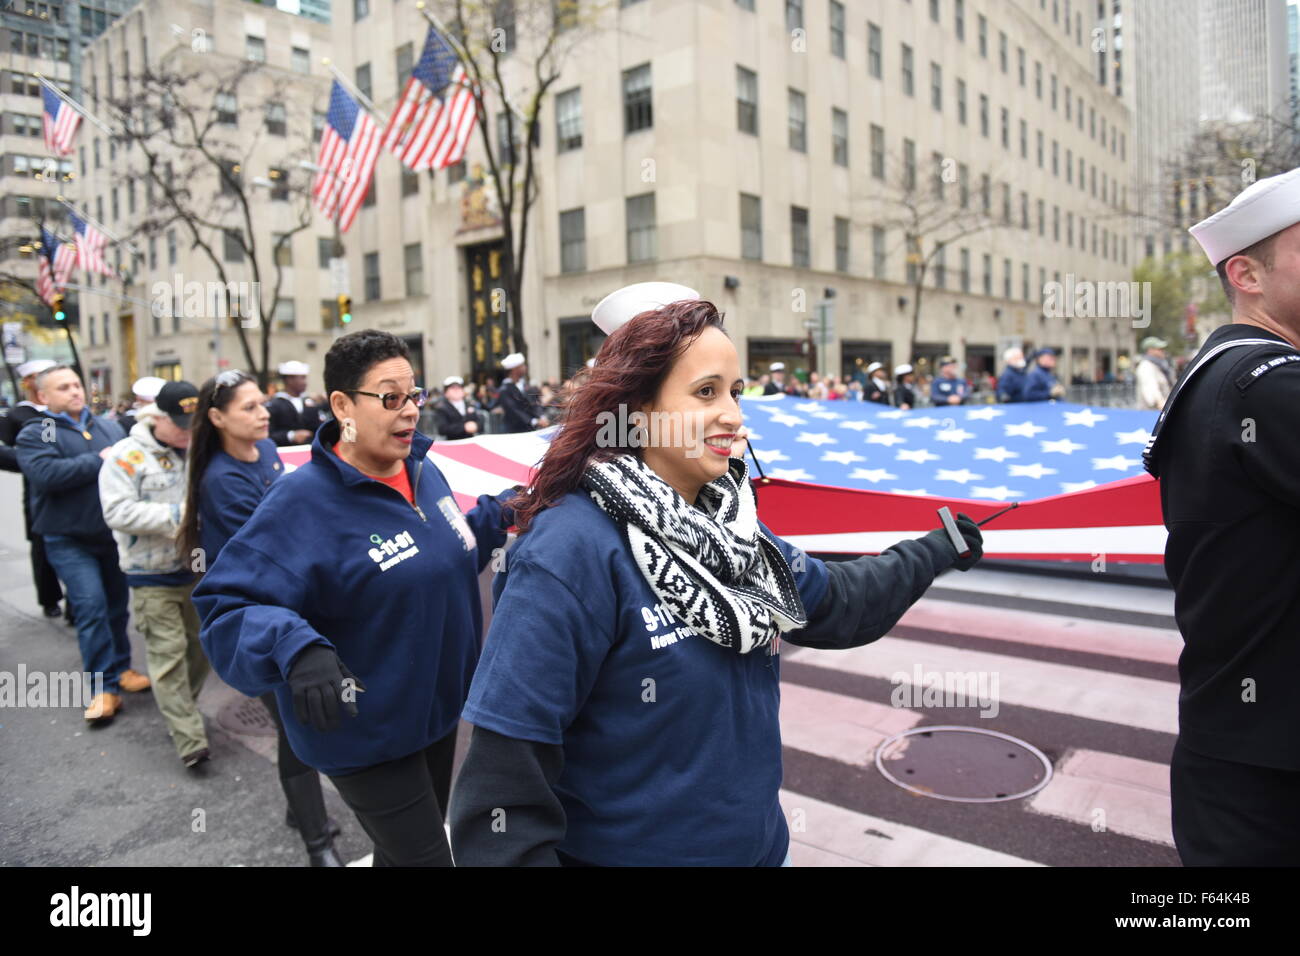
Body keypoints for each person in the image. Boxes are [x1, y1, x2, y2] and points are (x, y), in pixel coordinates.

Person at [448, 284, 984, 867]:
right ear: (637, 410)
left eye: (735, 391)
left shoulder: (732, 527)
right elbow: (500, 805)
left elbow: (837, 605)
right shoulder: (567, 551)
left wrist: (932, 551)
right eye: (706, 392)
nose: (734, 416)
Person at [194, 331, 518, 867]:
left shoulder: (424, 469)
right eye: (391, 398)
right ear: (342, 405)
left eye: (415, 395)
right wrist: (295, 645)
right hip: (364, 731)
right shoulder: (300, 502)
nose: (411, 411)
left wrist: (501, 513)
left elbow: (451, 551)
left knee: (402, 854)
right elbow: (226, 605)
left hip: (435, 714)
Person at [1144, 165, 1300, 865]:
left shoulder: (1226, 372)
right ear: (1248, 274)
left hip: (1242, 748)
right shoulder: (1265, 385)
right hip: (1269, 770)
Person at [178, 369, 343, 865]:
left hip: (288, 602)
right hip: (256, 615)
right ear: (216, 418)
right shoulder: (221, 480)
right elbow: (279, 540)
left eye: (261, 403)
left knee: (301, 725)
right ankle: (318, 844)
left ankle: (302, 811)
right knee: (296, 729)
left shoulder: (268, 452)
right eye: (248, 407)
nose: (262, 412)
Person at [15, 365, 150, 723]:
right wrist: (100, 460)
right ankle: (103, 687)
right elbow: (45, 474)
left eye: (77, 384)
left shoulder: (107, 425)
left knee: (118, 607)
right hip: (68, 539)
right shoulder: (41, 429)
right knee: (90, 608)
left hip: (111, 535)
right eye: (64, 387)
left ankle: (121, 669)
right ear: (43, 397)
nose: (75, 391)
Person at [98, 381, 211, 768]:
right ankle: (189, 738)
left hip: (195, 570)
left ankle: (183, 711)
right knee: (168, 655)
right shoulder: (126, 457)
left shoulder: (198, 447)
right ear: (157, 418)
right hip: (151, 573)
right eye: (180, 423)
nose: (187, 431)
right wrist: (179, 519)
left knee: (201, 650)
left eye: (193, 423)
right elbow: (117, 511)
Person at [0, 359, 66, 618]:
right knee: (43, 547)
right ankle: (49, 598)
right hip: (38, 491)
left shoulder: (65, 413)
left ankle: (78, 606)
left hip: (76, 493)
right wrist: (34, 463)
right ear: (29, 383)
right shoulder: (19, 415)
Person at [267, 360, 329, 446]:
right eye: (302, 378)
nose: (305, 382)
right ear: (289, 379)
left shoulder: (308, 401)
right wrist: (291, 436)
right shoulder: (275, 404)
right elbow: (269, 433)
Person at [496, 353, 549, 433]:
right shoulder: (505, 390)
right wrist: (533, 421)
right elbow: (514, 410)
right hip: (514, 431)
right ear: (515, 369)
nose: (525, 368)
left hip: (530, 429)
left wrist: (542, 417)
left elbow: (535, 403)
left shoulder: (526, 385)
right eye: (522, 366)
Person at [433, 376, 482, 440]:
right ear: (446, 393)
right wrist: (464, 427)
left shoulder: (469, 404)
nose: (456, 390)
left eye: (459, 388)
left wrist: (476, 426)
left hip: (470, 442)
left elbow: (480, 421)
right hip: (453, 443)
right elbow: (442, 429)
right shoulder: (442, 408)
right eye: (452, 388)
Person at [1134, 336, 1175, 411]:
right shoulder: (1146, 367)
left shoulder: (1161, 365)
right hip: (1152, 414)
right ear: (1150, 350)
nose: (1163, 351)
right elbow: (1151, 391)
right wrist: (1164, 406)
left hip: (1162, 411)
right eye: (1159, 349)